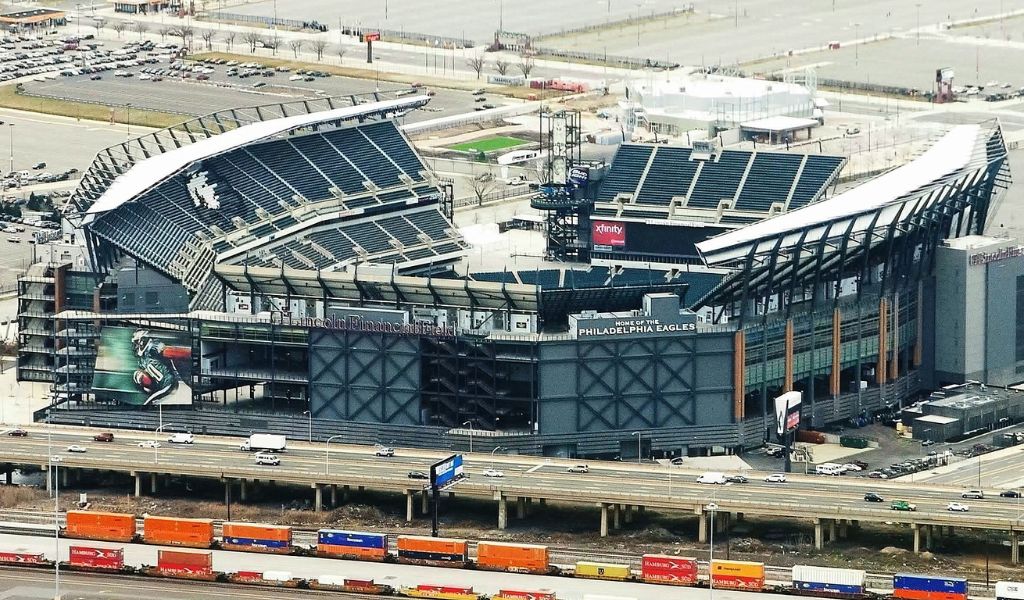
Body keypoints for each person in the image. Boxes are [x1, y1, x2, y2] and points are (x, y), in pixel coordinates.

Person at [130, 330, 190, 404]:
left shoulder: (152, 347)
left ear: (142, 341)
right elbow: (148, 386)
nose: (135, 346)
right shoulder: (142, 360)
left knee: (148, 404)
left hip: (171, 385)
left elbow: (172, 352)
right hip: (165, 388)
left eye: (136, 343)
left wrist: (188, 355)